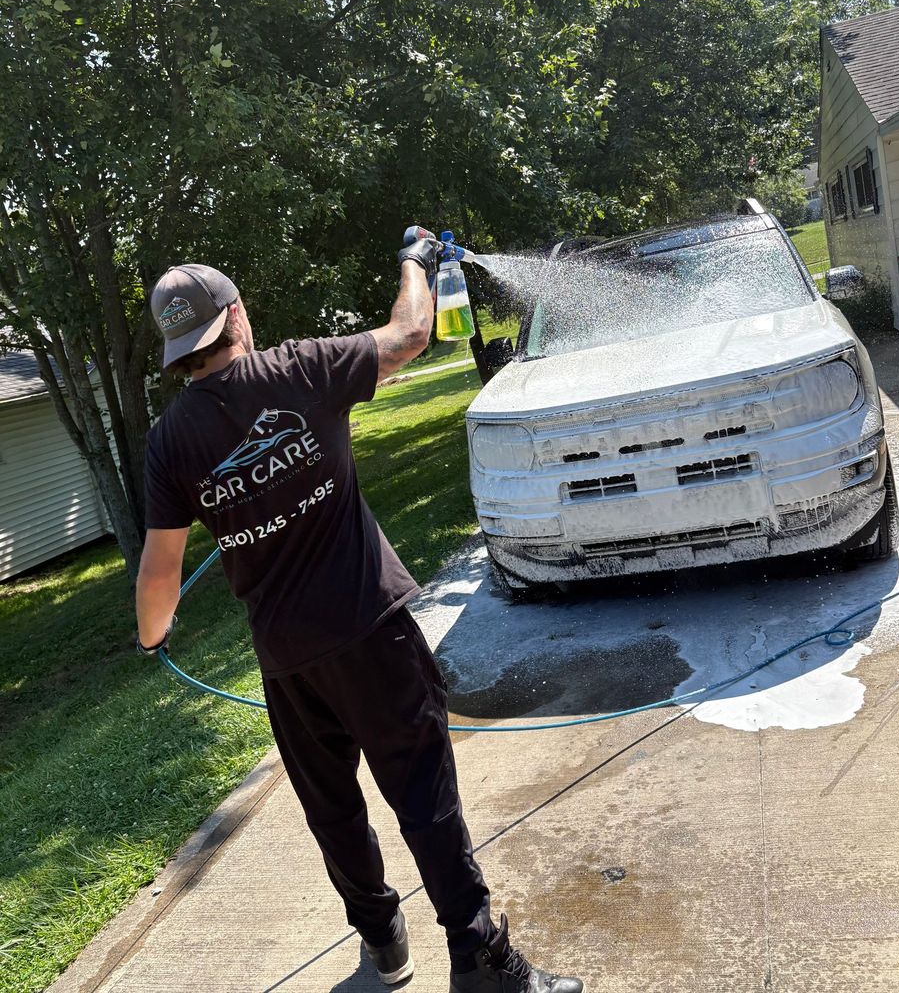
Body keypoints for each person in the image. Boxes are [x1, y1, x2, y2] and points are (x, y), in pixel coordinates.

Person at [135, 240, 584, 993]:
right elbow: (410, 334)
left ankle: (384, 943)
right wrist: (410, 259)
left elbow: (158, 572)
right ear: (236, 314)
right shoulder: (301, 369)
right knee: (423, 799)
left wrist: (154, 636)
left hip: (287, 663)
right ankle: (480, 962)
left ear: (180, 346)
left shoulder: (168, 441)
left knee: (332, 811)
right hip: (372, 634)